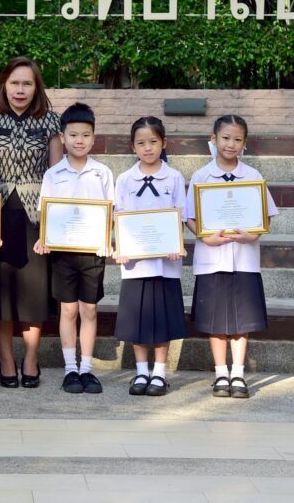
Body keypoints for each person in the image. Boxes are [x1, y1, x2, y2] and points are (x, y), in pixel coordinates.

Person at [0, 56, 63, 389]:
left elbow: (56, 176)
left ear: (36, 87)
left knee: (33, 293)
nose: (20, 89)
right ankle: (6, 359)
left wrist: (52, 224)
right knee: (2, 293)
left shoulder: (51, 122)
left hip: (35, 218)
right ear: (4, 85)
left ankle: (30, 358)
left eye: (27, 83)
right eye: (14, 83)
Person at [185, 114, 277, 399]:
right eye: (225, 138)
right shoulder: (201, 176)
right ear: (213, 139)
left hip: (244, 259)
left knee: (241, 320)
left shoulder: (253, 176)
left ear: (244, 143)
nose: (231, 144)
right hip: (212, 259)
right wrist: (205, 237)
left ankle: (238, 373)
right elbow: (190, 217)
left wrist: (253, 234)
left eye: (237, 139)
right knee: (216, 321)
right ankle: (220, 373)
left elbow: (265, 216)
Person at [35, 102, 114, 394]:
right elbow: (46, 213)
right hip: (63, 253)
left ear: (94, 138)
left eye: (85, 135)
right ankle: (70, 369)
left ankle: (87, 369)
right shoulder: (53, 174)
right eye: (73, 135)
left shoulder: (102, 173)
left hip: (93, 253)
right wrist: (44, 238)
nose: (79, 140)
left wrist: (108, 239)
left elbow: (111, 212)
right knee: (68, 310)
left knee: (89, 309)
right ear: (62, 138)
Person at [113, 117, 188, 397]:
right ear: (132, 146)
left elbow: (180, 216)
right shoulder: (124, 180)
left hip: (165, 262)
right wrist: (121, 247)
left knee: (162, 318)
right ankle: (141, 371)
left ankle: (159, 373)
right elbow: (119, 217)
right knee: (139, 318)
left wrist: (175, 242)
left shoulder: (174, 177)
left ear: (164, 143)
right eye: (141, 143)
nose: (148, 148)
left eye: (154, 142)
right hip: (135, 264)